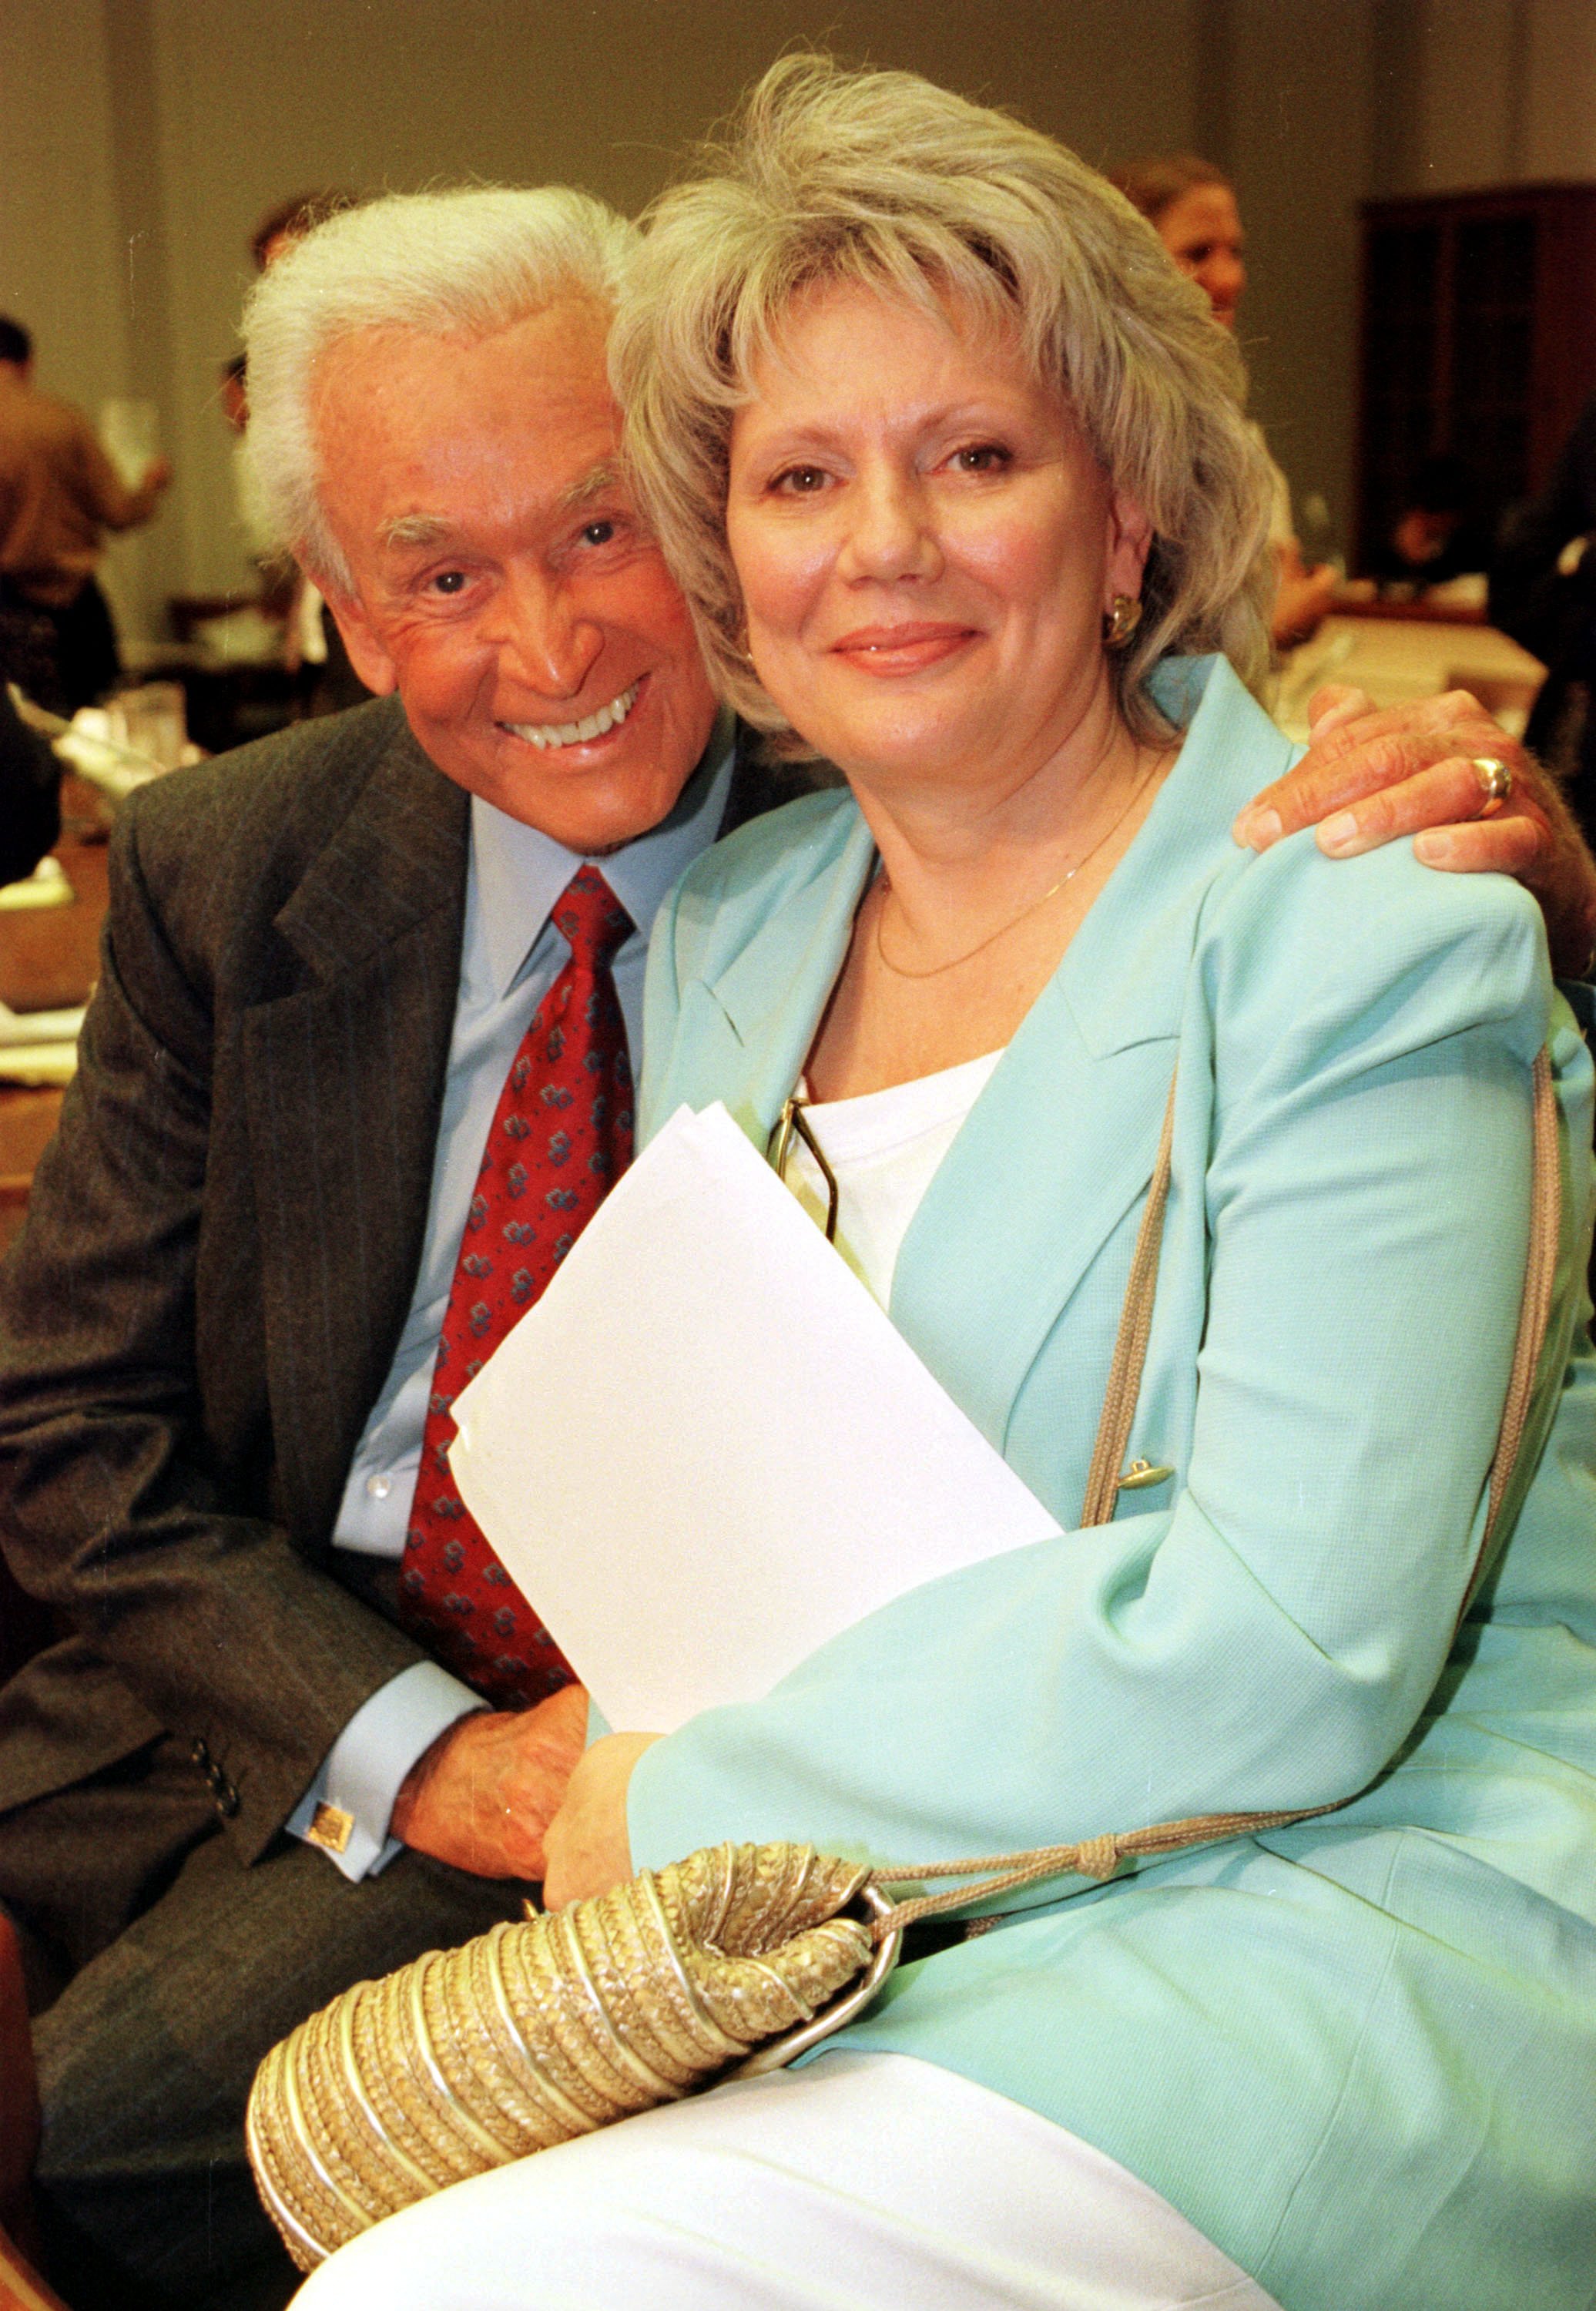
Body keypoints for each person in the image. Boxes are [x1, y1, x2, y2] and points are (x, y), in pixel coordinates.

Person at [0, 180, 1584, 2311]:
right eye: (443, 575)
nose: (553, 651)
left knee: (165, 2192)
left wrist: (1549, 877)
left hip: (855, 1800)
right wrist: (426, 1759)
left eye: (596, 533)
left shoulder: (904, 783)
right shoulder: (253, 863)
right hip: (331, 1716)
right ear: (344, 617)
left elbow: (1356, 1214)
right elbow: (71, 1433)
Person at [1112, 153, 1337, 652]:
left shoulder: (1230, 430)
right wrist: (1268, 630)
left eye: (1236, 253)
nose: (1229, 280)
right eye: (1198, 253)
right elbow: (1120, 649)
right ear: (1129, 263)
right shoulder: (1112, 434)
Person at [0, 317, 170, 714]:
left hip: (7, 606)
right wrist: (149, 486)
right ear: (27, 363)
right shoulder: (64, 420)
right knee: (94, 731)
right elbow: (118, 512)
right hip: (76, 606)